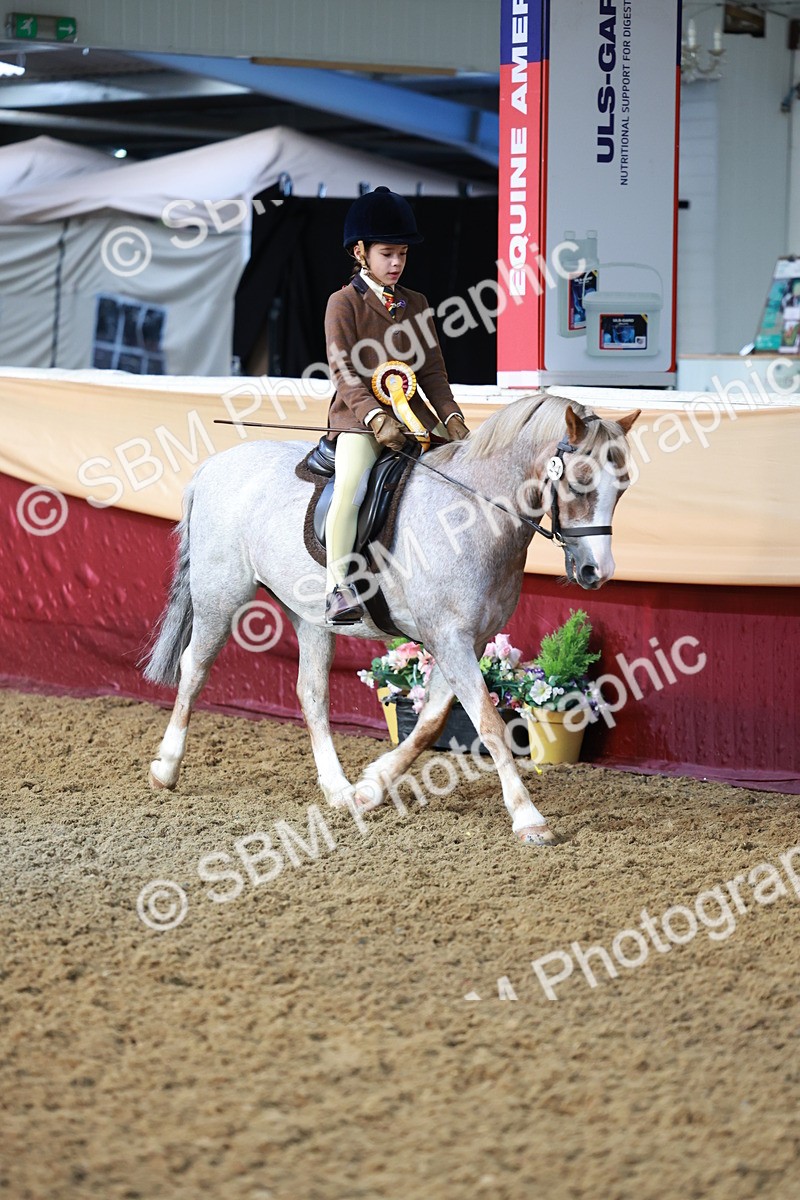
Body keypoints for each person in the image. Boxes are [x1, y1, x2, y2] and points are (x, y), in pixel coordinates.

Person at [323, 186, 469, 624]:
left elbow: (432, 372)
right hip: (360, 420)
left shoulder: (416, 303)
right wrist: (374, 416)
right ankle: (338, 587)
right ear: (360, 252)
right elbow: (344, 371)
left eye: (402, 254)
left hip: (416, 420)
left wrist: (451, 416)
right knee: (351, 487)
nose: (396, 263)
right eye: (387, 254)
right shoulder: (343, 303)